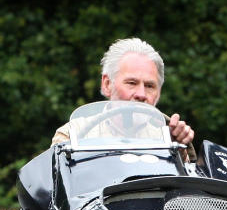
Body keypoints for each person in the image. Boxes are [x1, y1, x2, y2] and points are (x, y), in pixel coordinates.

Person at [53, 37, 195, 159]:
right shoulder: (73, 134)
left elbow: (185, 189)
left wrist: (178, 152)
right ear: (107, 84)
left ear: (159, 92)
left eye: (150, 86)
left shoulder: (168, 139)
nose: (141, 94)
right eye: (132, 83)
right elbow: (59, 183)